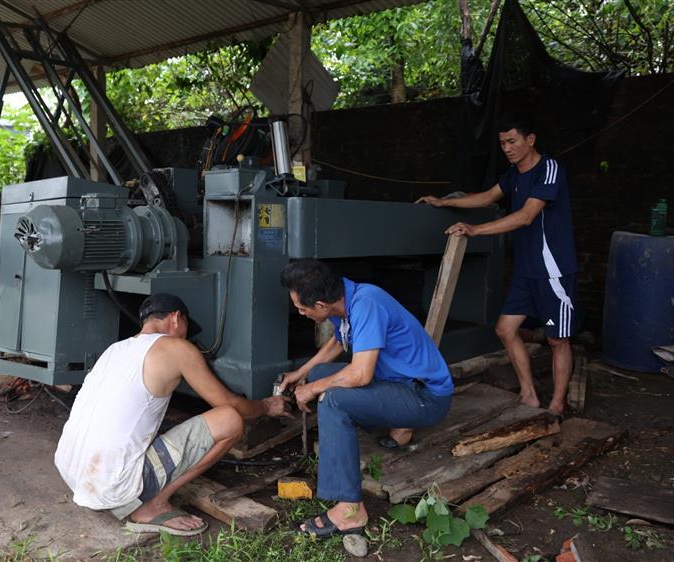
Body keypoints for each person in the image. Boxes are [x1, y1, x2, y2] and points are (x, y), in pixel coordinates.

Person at [54, 293, 290, 536]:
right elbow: (231, 404)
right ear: (176, 318)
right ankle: (152, 506)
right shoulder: (176, 347)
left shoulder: (115, 349)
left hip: (73, 471)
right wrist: (267, 406)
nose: (188, 337)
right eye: (187, 328)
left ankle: (133, 492)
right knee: (229, 419)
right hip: (112, 486)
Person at [417, 112, 578, 415]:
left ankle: (557, 404)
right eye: (503, 142)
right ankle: (529, 395)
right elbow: (488, 196)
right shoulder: (514, 175)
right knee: (505, 329)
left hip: (552, 270)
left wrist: (475, 230)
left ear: (530, 140)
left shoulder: (549, 169)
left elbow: (527, 215)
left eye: (512, 141)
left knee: (558, 340)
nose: (507, 148)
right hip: (525, 270)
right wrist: (444, 202)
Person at [278, 259, 454, 537]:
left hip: (425, 397)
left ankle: (350, 510)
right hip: (399, 380)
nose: (300, 313)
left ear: (321, 305)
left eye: (302, 308)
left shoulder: (366, 304)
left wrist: (313, 390)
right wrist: (302, 374)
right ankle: (401, 429)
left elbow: (360, 375)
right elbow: (338, 341)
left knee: (333, 400)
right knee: (320, 375)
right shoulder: (344, 299)